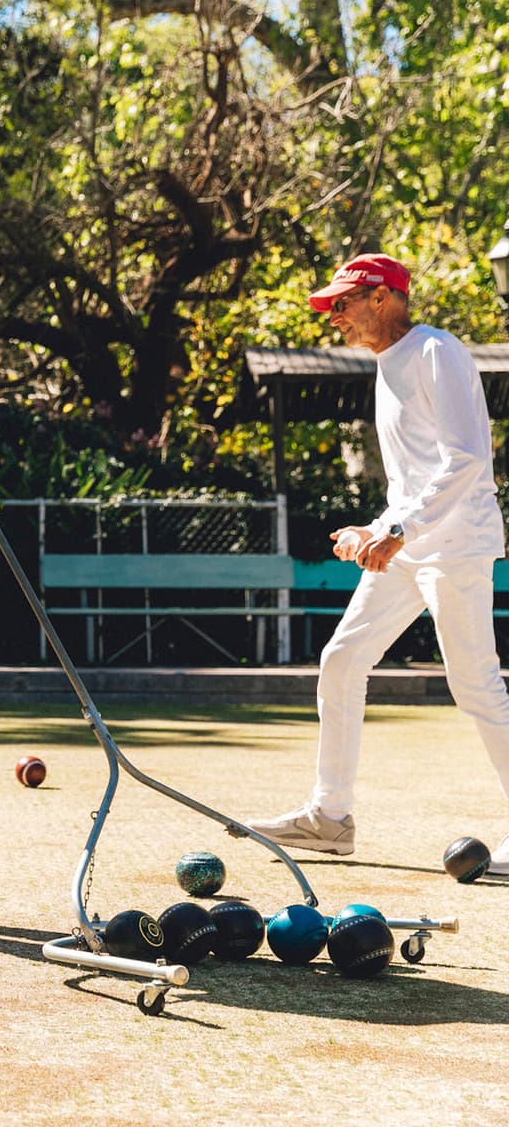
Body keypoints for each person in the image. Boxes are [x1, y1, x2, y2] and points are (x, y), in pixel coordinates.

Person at [246, 252, 509, 875]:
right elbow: (413, 479)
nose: (334, 317)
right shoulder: (386, 366)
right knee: (342, 658)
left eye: (343, 303)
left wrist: (398, 528)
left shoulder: (435, 351)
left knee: (475, 685)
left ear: (384, 296)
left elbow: (467, 458)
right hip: (410, 545)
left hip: (456, 545)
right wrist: (377, 528)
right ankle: (329, 818)